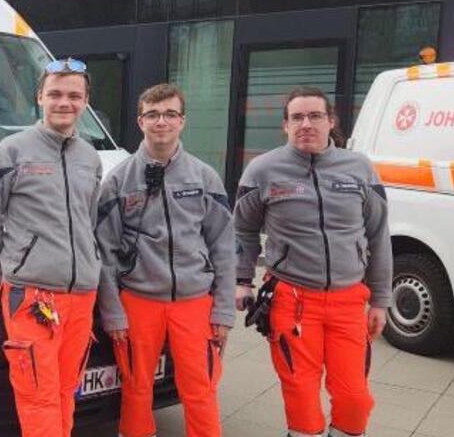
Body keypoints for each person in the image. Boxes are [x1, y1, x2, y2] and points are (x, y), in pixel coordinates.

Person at [235, 86, 391, 437]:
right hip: (292, 302)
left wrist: (381, 300)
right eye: (297, 117)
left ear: (330, 121)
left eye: (315, 116)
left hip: (349, 303)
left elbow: (379, 235)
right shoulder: (262, 170)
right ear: (285, 125)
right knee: (302, 398)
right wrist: (242, 281)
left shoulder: (359, 168)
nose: (306, 124)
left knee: (355, 399)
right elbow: (242, 230)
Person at [0, 58, 103, 437]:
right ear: (39, 97)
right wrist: (15, 268)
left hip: (82, 296)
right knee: (38, 396)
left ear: (85, 101)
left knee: (65, 390)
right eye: (55, 94)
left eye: (74, 96)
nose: (65, 102)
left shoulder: (90, 157)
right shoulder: (12, 151)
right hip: (33, 296)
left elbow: (89, 221)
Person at [96, 83, 236, 437]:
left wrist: (223, 309)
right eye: (153, 115)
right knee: (136, 388)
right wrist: (112, 311)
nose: (162, 122)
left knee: (201, 388)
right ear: (140, 121)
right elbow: (104, 251)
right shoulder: (119, 180)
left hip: (194, 302)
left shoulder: (204, 176)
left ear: (182, 121)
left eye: (170, 114)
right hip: (138, 301)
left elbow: (223, 245)